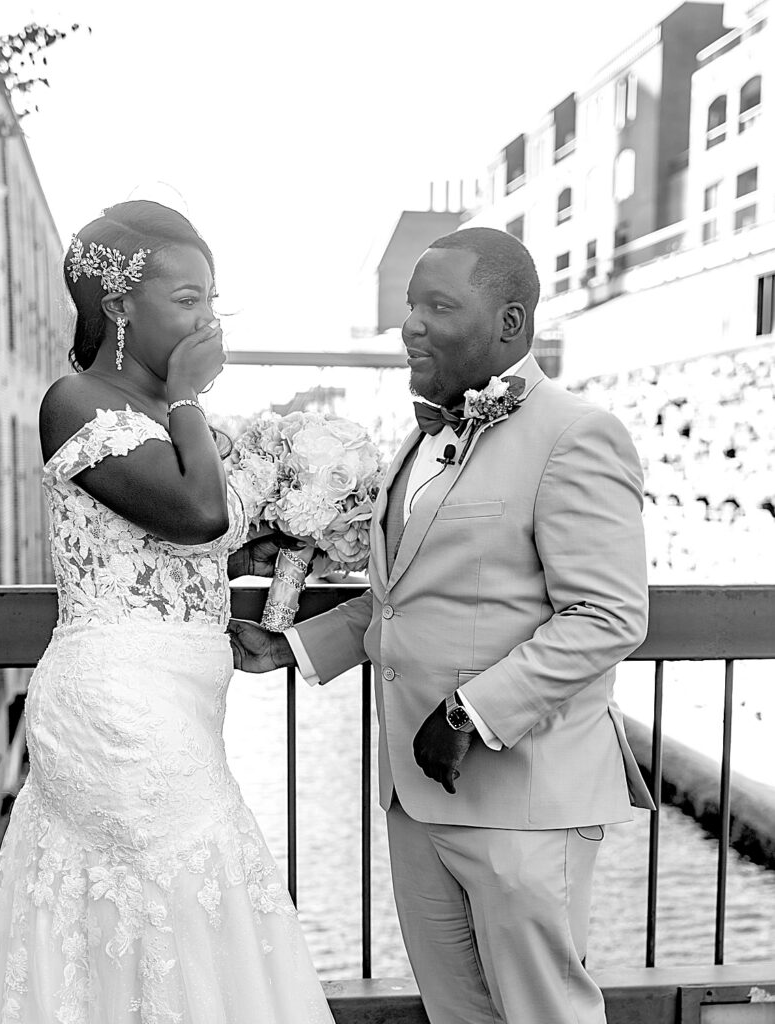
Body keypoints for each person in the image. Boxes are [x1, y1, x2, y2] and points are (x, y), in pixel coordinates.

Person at [230, 227, 654, 1024]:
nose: (411, 326)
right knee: (457, 1015)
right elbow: (400, 597)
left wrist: (468, 714)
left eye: (438, 307)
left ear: (510, 321)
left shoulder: (576, 434)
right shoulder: (420, 437)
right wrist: (290, 649)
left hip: (522, 800)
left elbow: (606, 615)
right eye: (409, 306)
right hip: (416, 799)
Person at [0, 200, 334, 1023]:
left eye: (213, 300)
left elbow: (170, 549)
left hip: (180, 696)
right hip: (119, 710)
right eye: (187, 299)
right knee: (179, 902)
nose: (207, 320)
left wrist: (258, 554)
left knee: (172, 917)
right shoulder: (77, 400)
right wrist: (188, 397)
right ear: (118, 305)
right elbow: (197, 513)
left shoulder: (157, 416)